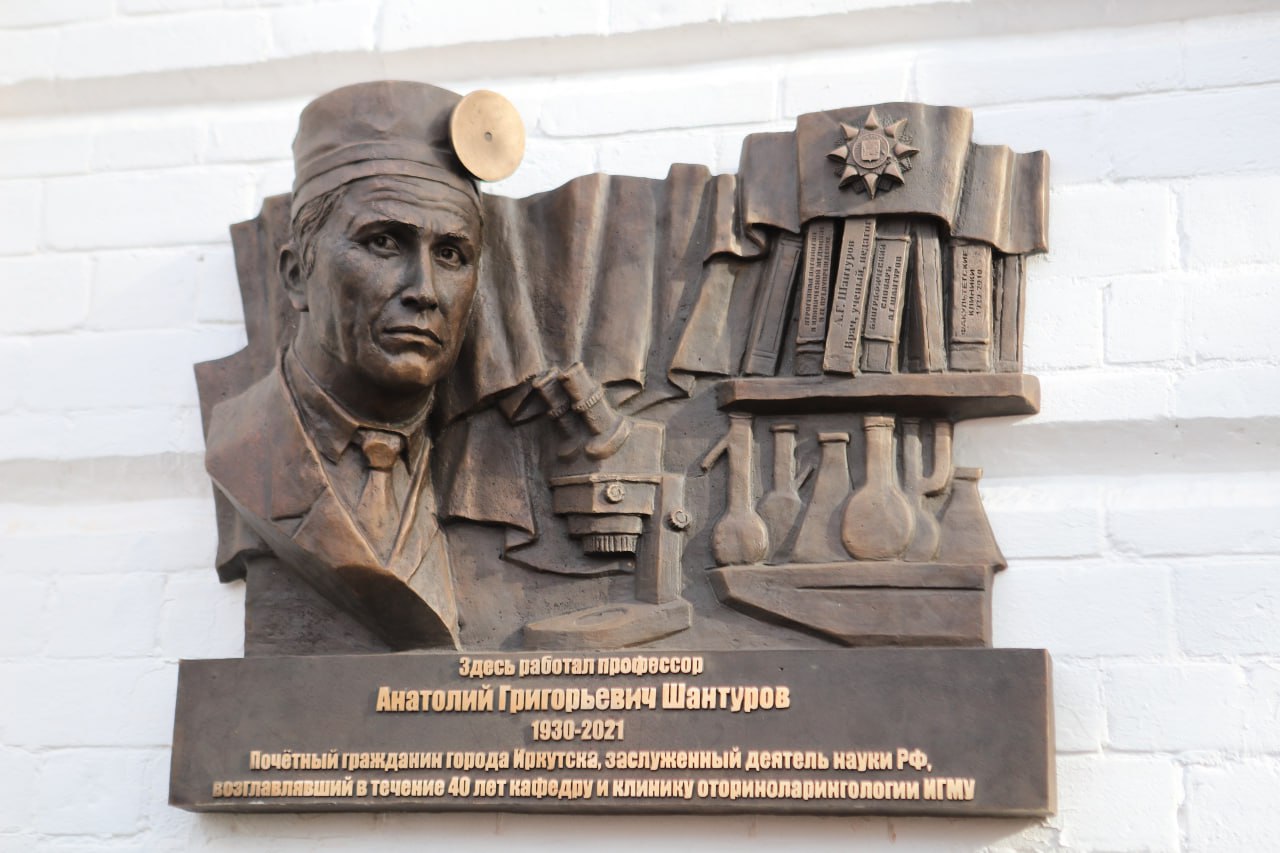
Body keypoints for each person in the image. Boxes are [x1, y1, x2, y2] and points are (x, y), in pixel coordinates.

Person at [205, 81, 486, 652]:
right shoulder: (244, 448)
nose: (425, 291)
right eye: (384, 243)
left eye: (450, 255)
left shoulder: (499, 460)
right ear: (297, 276)